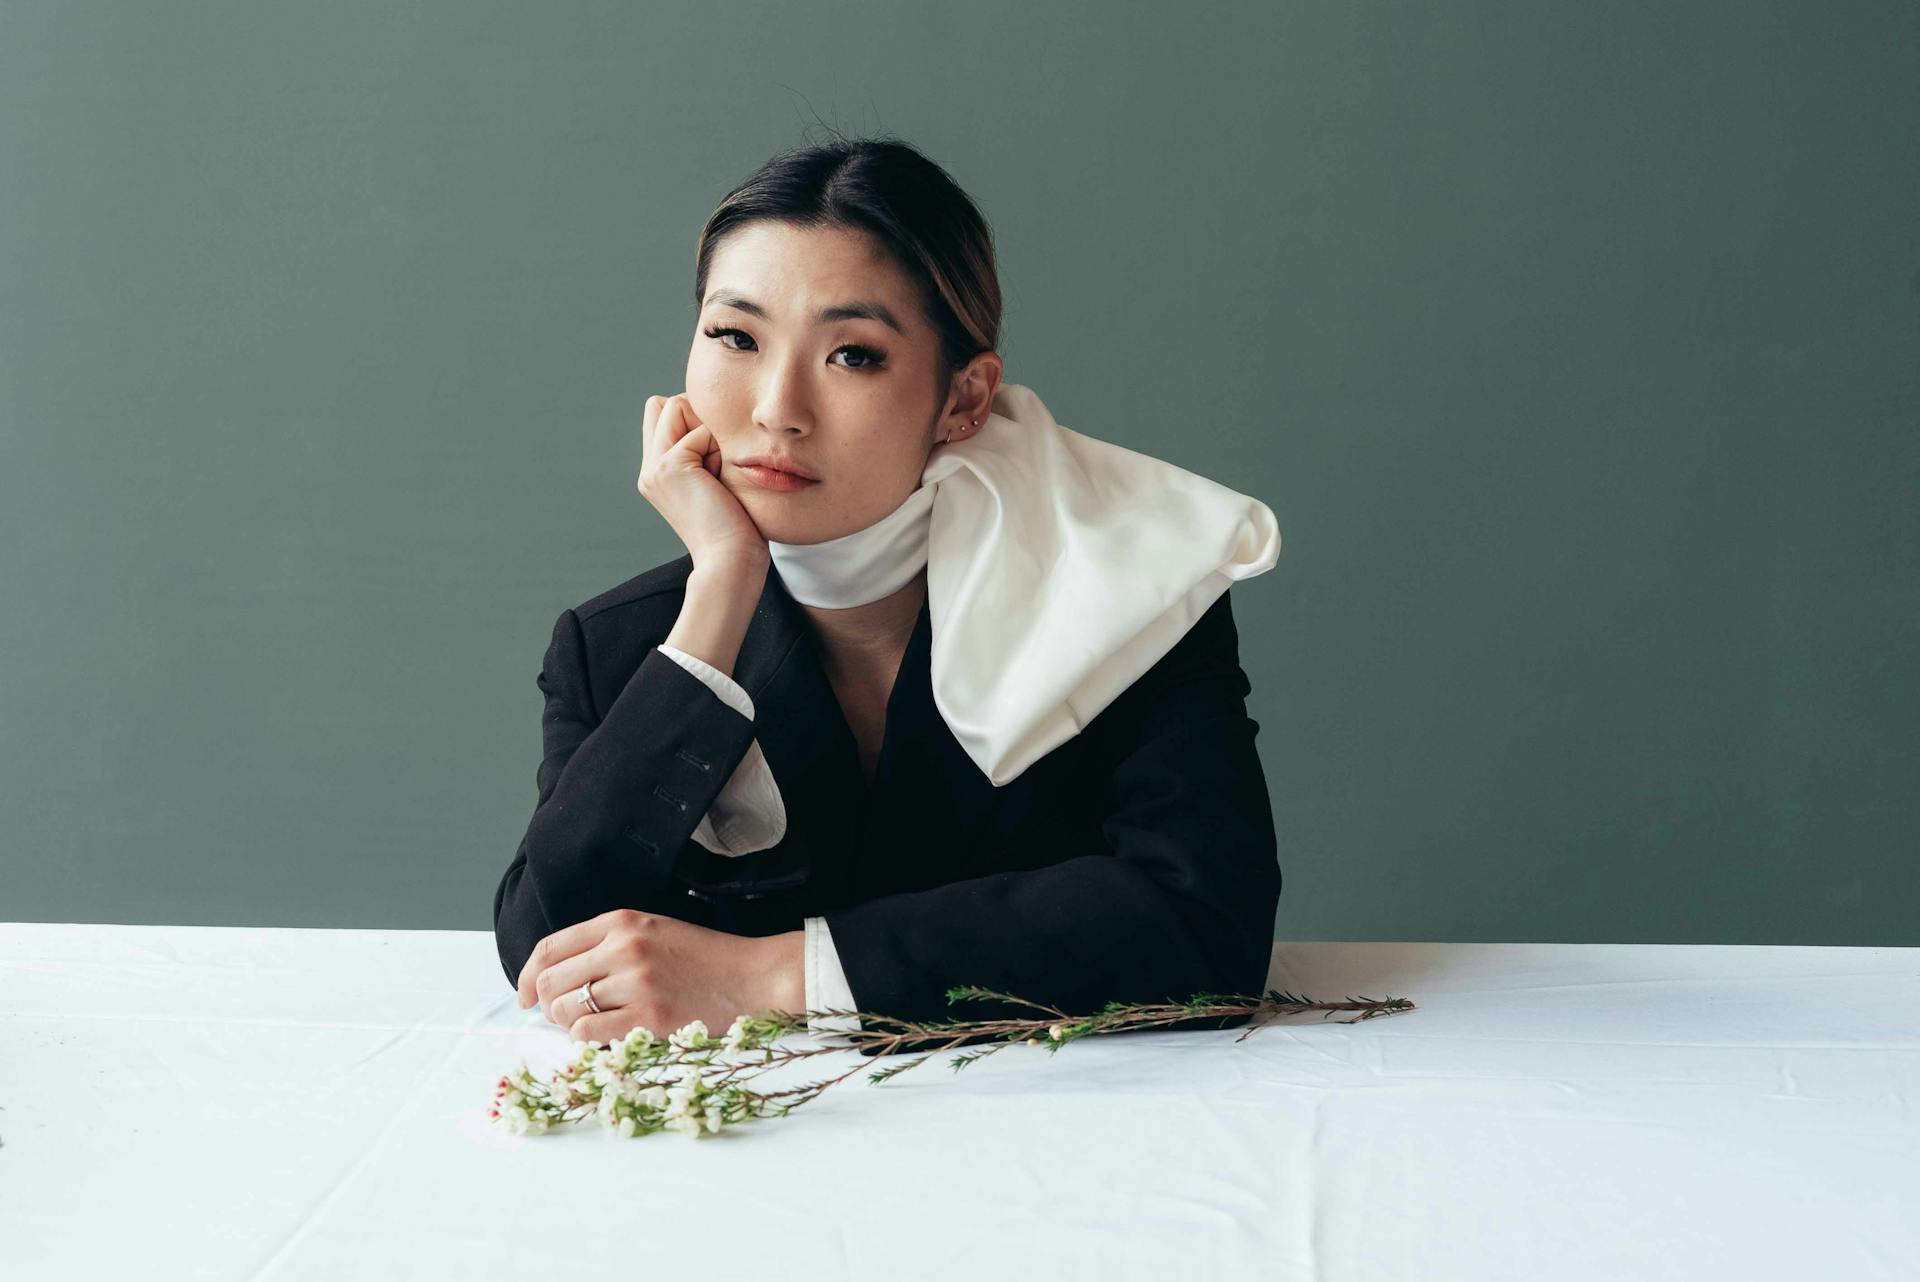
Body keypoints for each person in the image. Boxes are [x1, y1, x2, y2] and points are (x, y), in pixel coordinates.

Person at [492, 137, 1280, 1054]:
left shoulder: (1126, 601)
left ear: (963, 399)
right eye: (735, 337)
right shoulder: (621, 647)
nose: (777, 407)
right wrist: (723, 586)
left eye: (853, 355)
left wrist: (774, 977)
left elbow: (1206, 923)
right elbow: (547, 947)